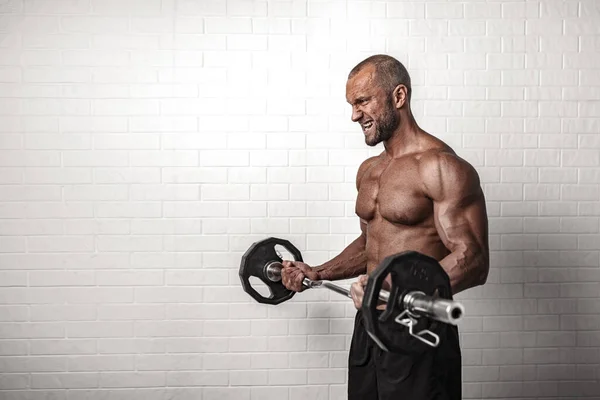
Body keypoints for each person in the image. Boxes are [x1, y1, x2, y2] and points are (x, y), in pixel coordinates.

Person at [281, 54, 489, 400]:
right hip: (369, 325)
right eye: (351, 104)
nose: (354, 114)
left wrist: (395, 294)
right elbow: (370, 244)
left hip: (419, 327)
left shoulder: (441, 166)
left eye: (363, 101)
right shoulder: (369, 171)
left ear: (399, 97)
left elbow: (473, 260)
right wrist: (317, 272)